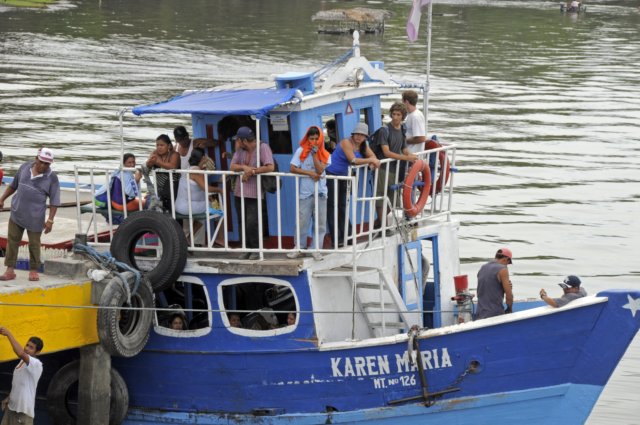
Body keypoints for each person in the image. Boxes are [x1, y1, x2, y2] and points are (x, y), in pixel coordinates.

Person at [0, 148, 60, 282]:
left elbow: (55, 201)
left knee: (34, 244)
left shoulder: (52, 178)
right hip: (17, 212)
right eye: (41, 162)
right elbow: (13, 186)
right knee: (12, 241)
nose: (43, 165)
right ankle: (10, 270)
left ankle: (33, 270)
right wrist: (2, 199)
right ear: (36, 158)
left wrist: (50, 220)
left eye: (47, 164)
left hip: (35, 217)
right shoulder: (24, 167)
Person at [325, 122, 380, 247]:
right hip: (331, 175)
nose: (359, 137)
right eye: (357, 134)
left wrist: (372, 162)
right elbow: (353, 160)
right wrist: (371, 160)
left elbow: (374, 157)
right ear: (353, 134)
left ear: (365, 137)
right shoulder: (346, 142)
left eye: (362, 135)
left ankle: (348, 236)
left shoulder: (364, 146)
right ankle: (336, 239)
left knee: (343, 206)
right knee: (332, 206)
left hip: (345, 176)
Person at [229, 126, 275, 260]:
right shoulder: (240, 150)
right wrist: (244, 167)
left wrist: (252, 171)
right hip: (239, 192)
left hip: (255, 192)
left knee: (252, 222)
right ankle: (246, 249)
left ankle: (255, 249)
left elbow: (270, 166)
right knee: (242, 222)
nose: (236, 142)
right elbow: (232, 166)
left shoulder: (262, 147)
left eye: (238, 140)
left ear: (244, 140)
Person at [371, 102, 418, 228]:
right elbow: (386, 152)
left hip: (395, 169)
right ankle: (382, 225)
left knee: (393, 198)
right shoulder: (384, 130)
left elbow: (404, 148)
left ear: (403, 116)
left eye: (398, 115)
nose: (395, 117)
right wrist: (406, 157)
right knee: (381, 197)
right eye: (394, 114)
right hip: (382, 168)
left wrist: (411, 156)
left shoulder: (402, 129)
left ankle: (379, 222)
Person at [287, 126, 331, 260]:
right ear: (307, 139)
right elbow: (292, 168)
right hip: (305, 193)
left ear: (321, 139)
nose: (314, 142)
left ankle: (316, 249)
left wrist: (314, 155)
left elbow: (320, 170)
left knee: (320, 223)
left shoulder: (325, 154)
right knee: (302, 221)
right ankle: (299, 247)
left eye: (317, 139)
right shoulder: (300, 151)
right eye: (311, 139)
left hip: (320, 193)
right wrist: (309, 173)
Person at [0, 326, 44, 425]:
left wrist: (8, 334)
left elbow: (20, 353)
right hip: (11, 409)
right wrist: (9, 398)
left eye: (31, 348)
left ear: (37, 352)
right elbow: (19, 385)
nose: (27, 348)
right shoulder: (21, 362)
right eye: (27, 345)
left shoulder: (36, 364)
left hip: (23, 413)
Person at [476, 248, 514, 320]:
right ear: (506, 259)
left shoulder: (483, 267)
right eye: (508, 263)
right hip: (495, 314)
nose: (507, 265)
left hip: (480, 313)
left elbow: (485, 286)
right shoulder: (503, 269)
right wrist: (509, 309)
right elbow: (509, 296)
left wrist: (502, 287)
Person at [146, 134, 180, 212]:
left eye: (162, 145)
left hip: (172, 189)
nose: (159, 147)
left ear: (168, 146)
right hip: (158, 189)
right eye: (157, 145)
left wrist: (157, 162)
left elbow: (172, 166)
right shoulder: (155, 153)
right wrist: (150, 161)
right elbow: (148, 166)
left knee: (169, 211)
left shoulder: (175, 154)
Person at [402, 90, 427, 155]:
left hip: (413, 154)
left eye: (402, 101)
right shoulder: (410, 115)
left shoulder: (416, 116)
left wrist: (403, 141)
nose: (402, 103)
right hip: (408, 153)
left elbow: (421, 138)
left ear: (406, 102)